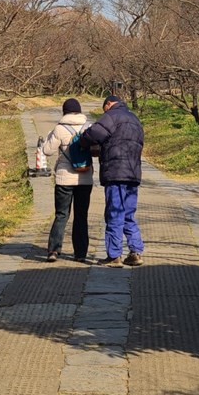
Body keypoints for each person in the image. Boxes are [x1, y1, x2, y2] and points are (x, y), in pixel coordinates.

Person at [79, 95, 145, 267]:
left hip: (115, 172)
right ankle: (136, 251)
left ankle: (114, 255)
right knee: (129, 213)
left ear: (108, 104)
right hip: (133, 173)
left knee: (115, 212)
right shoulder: (135, 119)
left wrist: (82, 141)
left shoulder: (111, 116)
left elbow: (95, 134)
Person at [42, 98, 93, 263]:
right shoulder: (89, 127)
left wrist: (52, 134)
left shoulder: (59, 128)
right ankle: (80, 253)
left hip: (64, 179)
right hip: (85, 179)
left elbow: (47, 151)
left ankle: (53, 251)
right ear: (79, 111)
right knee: (81, 215)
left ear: (64, 112)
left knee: (62, 215)